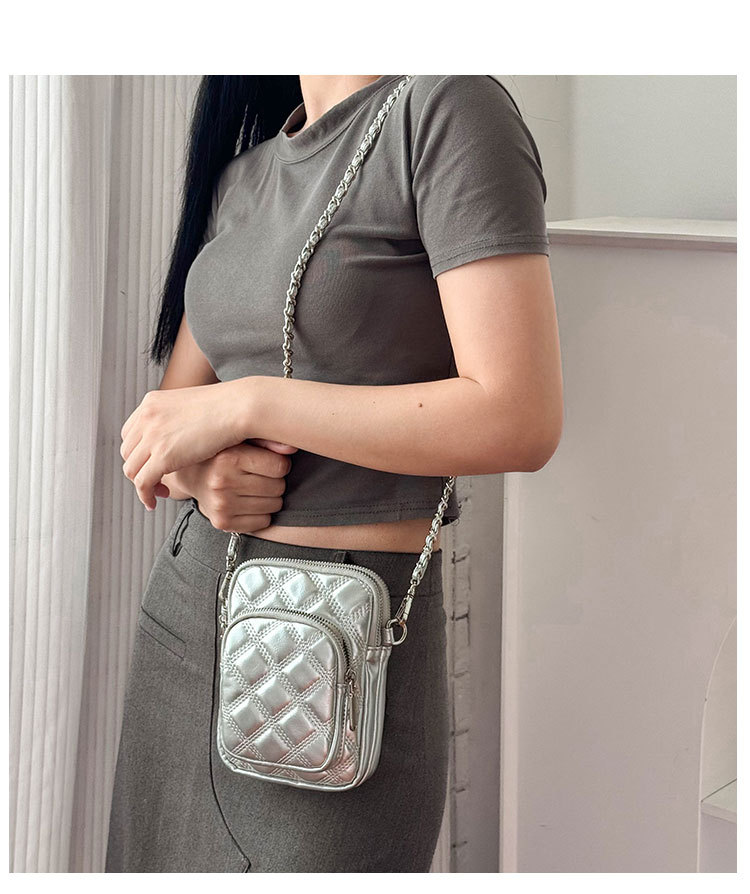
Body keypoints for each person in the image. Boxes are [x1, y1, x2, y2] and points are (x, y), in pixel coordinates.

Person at [106, 74, 563, 873]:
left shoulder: (446, 109)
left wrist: (252, 404)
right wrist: (205, 478)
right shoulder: (242, 177)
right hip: (186, 620)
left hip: (342, 648)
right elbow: (168, 425)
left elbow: (519, 417)